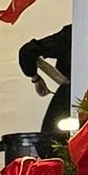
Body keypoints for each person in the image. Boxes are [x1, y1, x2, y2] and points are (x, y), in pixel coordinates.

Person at [16, 27, 71, 158]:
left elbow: (27, 52)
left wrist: (35, 78)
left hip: (68, 101)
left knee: (51, 150)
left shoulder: (72, 34)